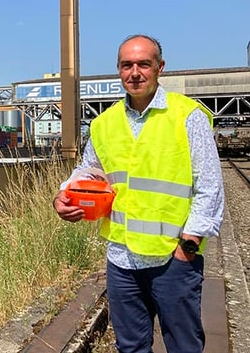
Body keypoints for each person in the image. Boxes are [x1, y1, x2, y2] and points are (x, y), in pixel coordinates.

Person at [53, 34, 224, 353]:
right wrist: (64, 195)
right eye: (127, 65)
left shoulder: (187, 116)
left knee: (184, 346)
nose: (135, 72)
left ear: (160, 67)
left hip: (171, 258)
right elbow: (89, 170)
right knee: (130, 347)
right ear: (118, 70)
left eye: (143, 64)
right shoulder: (104, 124)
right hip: (122, 259)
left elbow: (209, 187)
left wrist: (189, 246)